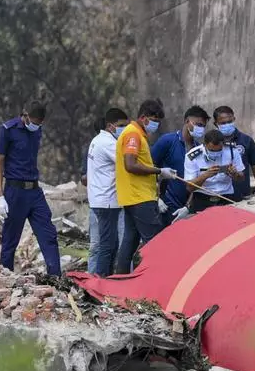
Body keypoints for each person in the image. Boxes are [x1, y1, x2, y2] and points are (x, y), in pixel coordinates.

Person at [0, 101, 61, 277]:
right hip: (15, 191)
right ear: (25, 116)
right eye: (34, 122)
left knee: (48, 235)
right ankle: (6, 280)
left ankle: (56, 278)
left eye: (39, 124)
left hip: (35, 191)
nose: (36, 126)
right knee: (10, 241)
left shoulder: (37, 130)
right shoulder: (8, 130)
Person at [113, 99, 178, 275]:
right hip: (139, 197)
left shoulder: (137, 134)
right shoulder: (133, 135)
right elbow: (130, 164)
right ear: (143, 117)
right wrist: (159, 171)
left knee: (130, 241)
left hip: (133, 197)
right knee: (155, 242)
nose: (156, 124)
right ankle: (157, 279)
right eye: (154, 120)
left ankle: (121, 278)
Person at [86, 108, 129, 277]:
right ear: (111, 126)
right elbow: (127, 163)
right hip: (107, 201)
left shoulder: (97, 140)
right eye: (121, 125)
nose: (124, 129)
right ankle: (101, 280)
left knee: (111, 244)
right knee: (107, 245)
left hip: (101, 200)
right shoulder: (108, 143)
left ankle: (106, 279)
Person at [151, 105, 210, 223]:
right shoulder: (167, 141)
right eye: (198, 124)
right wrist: (155, 197)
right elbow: (150, 167)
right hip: (166, 204)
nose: (201, 129)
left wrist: (188, 207)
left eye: (203, 126)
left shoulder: (199, 150)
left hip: (187, 207)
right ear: (187, 121)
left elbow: (199, 182)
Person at [183, 129, 244, 214]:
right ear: (204, 145)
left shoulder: (231, 151)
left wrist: (235, 174)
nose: (216, 153)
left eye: (219, 150)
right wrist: (205, 176)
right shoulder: (193, 156)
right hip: (203, 198)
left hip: (226, 196)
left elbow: (241, 178)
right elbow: (189, 187)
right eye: (212, 150)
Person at [213, 105, 255, 199]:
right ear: (216, 124)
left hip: (243, 196)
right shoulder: (212, 143)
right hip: (219, 197)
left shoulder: (246, 141)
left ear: (234, 119)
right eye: (223, 123)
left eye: (229, 122)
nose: (227, 125)